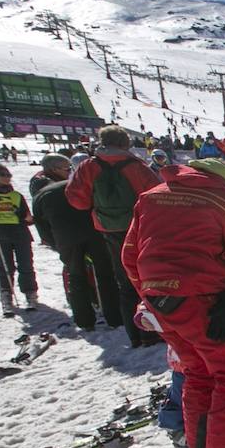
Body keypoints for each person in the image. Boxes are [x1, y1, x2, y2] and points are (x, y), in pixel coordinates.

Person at [122, 158, 225, 448]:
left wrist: (151, 296)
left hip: (162, 302)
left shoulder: (151, 197)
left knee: (198, 371)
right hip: (203, 301)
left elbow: (129, 256)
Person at [66, 124, 162, 347]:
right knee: (146, 277)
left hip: (108, 229)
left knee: (125, 281)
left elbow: (77, 199)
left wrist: (97, 207)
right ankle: (150, 331)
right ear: (125, 143)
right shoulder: (136, 167)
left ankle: (134, 333)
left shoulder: (89, 167)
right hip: (139, 228)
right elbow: (157, 195)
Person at [31, 153, 124, 330]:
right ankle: (114, 315)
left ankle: (84, 320)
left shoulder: (43, 194)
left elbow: (41, 224)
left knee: (76, 276)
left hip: (66, 238)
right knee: (105, 274)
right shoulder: (80, 187)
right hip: (94, 232)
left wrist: (54, 244)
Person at [0, 162, 39, 316]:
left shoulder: (16, 196)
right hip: (0, 233)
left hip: (19, 232)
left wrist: (28, 218)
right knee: (5, 266)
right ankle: (6, 295)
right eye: (2, 175)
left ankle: (30, 293)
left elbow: (27, 216)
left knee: (26, 264)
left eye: (8, 175)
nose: (7, 178)